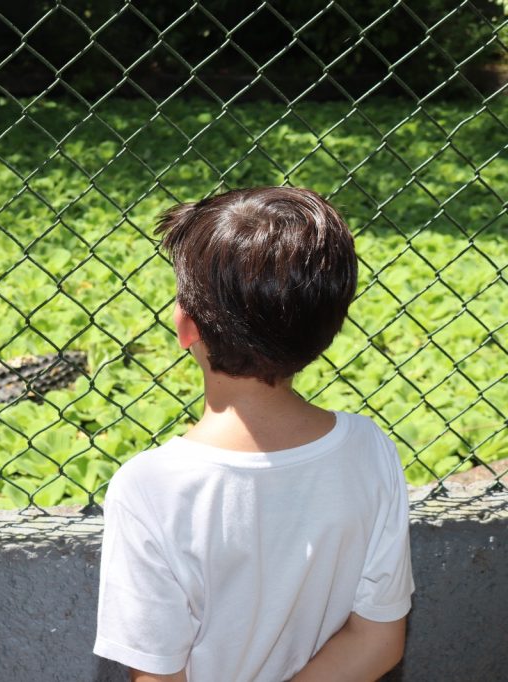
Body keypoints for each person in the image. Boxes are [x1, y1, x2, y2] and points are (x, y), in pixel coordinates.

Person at [93, 186, 415, 681]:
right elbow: (377, 638)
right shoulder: (368, 449)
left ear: (185, 326)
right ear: (328, 327)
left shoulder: (149, 488)